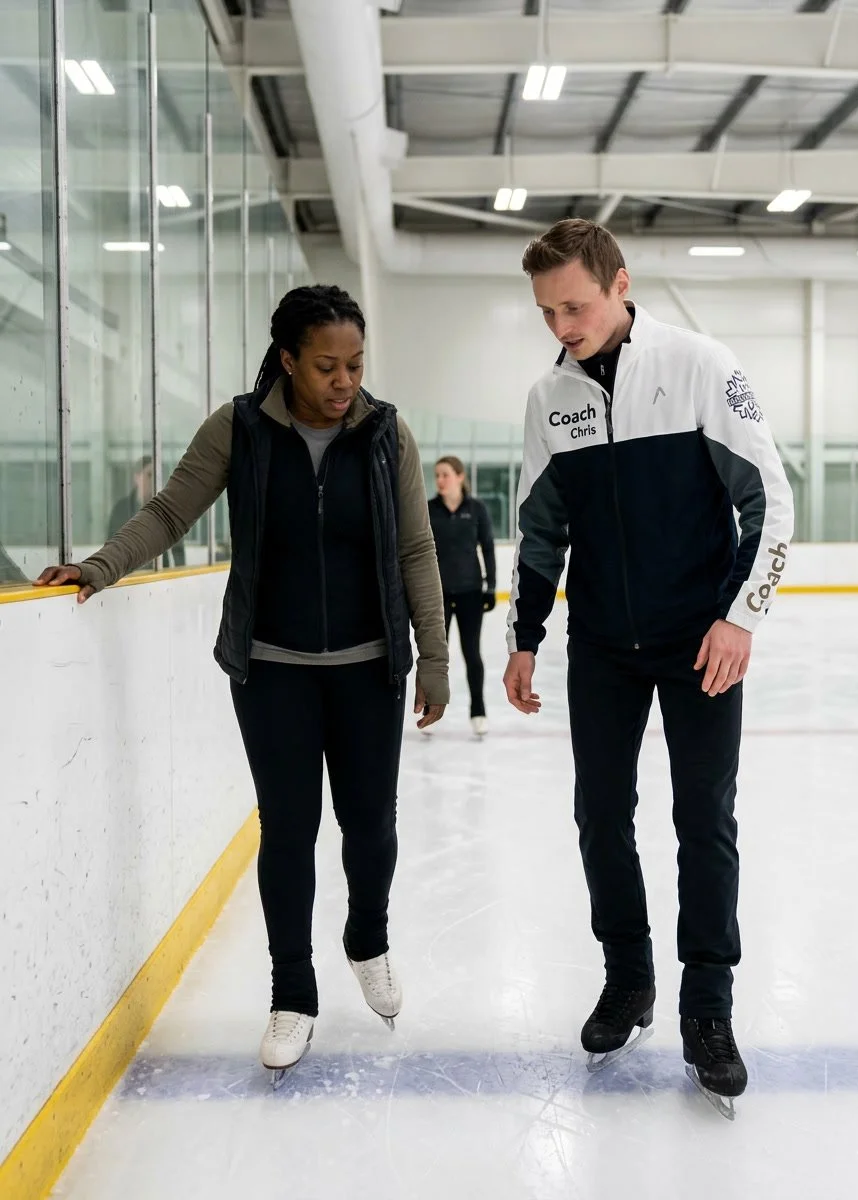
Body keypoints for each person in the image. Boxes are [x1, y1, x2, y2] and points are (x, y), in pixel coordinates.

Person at [36, 284, 449, 1084]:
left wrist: (432, 657)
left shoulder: (387, 433)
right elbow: (168, 512)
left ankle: (368, 938)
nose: (343, 380)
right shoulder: (242, 429)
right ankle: (292, 990)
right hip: (272, 672)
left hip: (370, 671)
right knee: (288, 831)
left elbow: (418, 551)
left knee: (371, 826)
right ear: (288, 360)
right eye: (326, 365)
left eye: (356, 364)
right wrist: (99, 566)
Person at [503, 219, 794, 1116]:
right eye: (548, 311)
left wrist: (739, 618)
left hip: (700, 640)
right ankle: (628, 980)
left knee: (703, 818)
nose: (562, 325)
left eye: (576, 305)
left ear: (620, 284)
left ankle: (708, 1005)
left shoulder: (702, 366)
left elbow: (771, 505)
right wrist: (524, 636)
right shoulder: (549, 400)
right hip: (601, 646)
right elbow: (539, 532)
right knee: (601, 816)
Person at [428, 455, 496, 737]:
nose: (440, 480)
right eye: (437, 476)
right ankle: (430, 708)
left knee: (471, 653)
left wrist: (491, 587)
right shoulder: (429, 509)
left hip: (470, 593)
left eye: (445, 474)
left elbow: (488, 549)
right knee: (434, 656)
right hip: (437, 596)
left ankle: (478, 710)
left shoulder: (477, 509)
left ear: (459, 476)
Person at [108, 455, 186, 570]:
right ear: (137, 477)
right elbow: (112, 546)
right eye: (149, 474)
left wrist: (181, 575)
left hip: (160, 574)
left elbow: (178, 547)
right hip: (130, 576)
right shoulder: (122, 509)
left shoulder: (165, 507)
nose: (154, 479)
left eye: (157, 475)